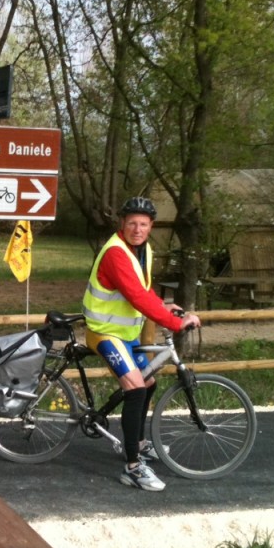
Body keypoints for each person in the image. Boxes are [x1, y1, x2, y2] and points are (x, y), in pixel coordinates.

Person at [82, 196, 200, 492]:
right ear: (122, 224)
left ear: (151, 227)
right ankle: (132, 467)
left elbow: (143, 289)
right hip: (104, 333)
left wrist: (163, 305)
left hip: (125, 334)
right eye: (132, 223)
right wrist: (175, 323)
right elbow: (135, 296)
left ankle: (138, 442)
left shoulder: (142, 249)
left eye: (143, 224)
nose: (137, 229)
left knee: (148, 384)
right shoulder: (116, 253)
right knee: (135, 389)